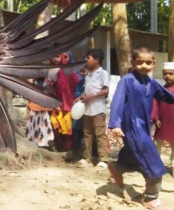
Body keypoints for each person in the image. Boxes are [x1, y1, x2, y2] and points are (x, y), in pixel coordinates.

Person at [108, 46, 174, 208]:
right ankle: (151, 197)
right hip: (132, 126)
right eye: (139, 62)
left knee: (134, 155)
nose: (144, 65)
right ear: (133, 62)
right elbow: (117, 101)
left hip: (144, 126)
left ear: (153, 64)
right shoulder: (127, 80)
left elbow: (166, 96)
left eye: (147, 62)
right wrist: (115, 124)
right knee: (153, 162)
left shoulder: (151, 82)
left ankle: (117, 167)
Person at [75, 49, 109, 168]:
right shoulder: (88, 74)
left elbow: (106, 90)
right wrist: (80, 97)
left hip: (98, 109)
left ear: (97, 60)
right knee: (87, 134)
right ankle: (87, 158)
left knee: (100, 134)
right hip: (87, 109)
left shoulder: (102, 73)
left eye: (88, 58)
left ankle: (103, 159)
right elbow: (86, 90)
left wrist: (92, 96)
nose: (86, 60)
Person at [49, 51, 80, 152]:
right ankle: (58, 144)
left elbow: (77, 83)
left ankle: (68, 147)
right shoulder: (50, 70)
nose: (55, 59)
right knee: (55, 122)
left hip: (68, 102)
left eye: (57, 56)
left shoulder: (69, 70)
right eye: (53, 57)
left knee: (67, 124)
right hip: (56, 100)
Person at [151, 62, 174, 175]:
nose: (168, 76)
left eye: (171, 74)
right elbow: (155, 105)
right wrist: (155, 118)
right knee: (157, 144)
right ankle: (156, 166)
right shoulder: (160, 90)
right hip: (162, 122)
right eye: (165, 74)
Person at [65, 66, 88, 160]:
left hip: (91, 110)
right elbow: (77, 95)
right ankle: (75, 152)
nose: (82, 73)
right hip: (79, 110)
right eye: (81, 71)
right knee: (76, 128)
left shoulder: (96, 82)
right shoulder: (80, 83)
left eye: (84, 71)